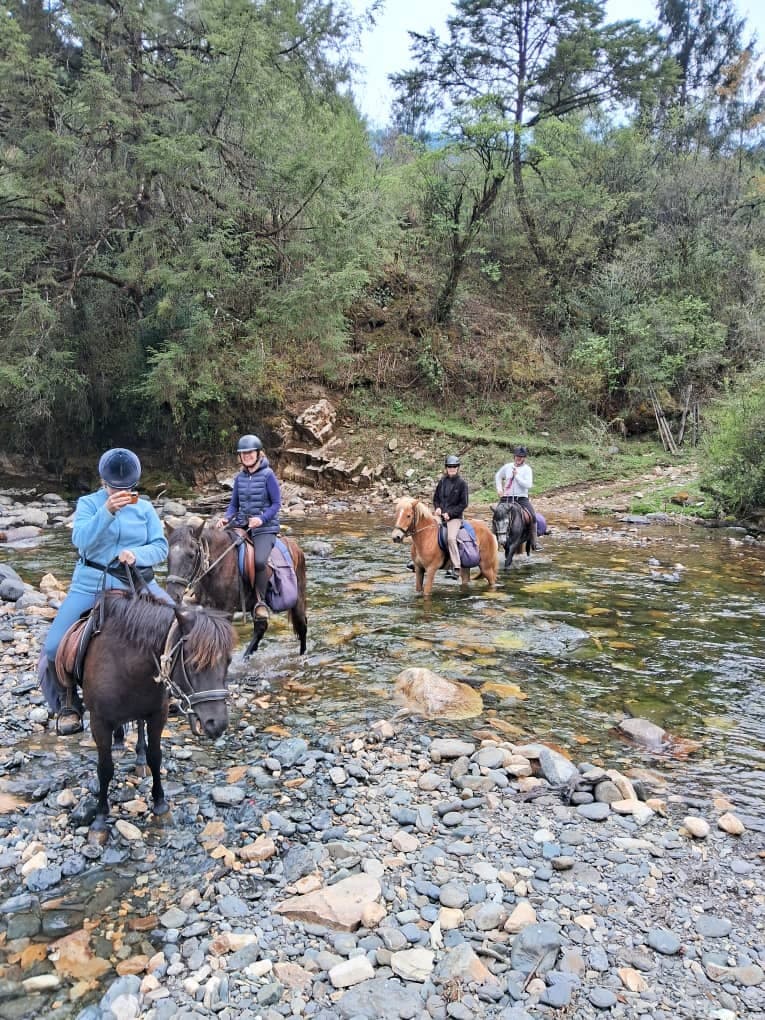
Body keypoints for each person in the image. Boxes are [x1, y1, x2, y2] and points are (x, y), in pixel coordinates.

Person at [41, 448, 173, 734]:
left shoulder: (145, 508)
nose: (121, 493)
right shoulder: (89, 504)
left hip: (136, 582)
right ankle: (68, 702)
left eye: (126, 488)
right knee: (53, 647)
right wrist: (107, 512)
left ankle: (172, 689)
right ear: (103, 483)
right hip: (91, 582)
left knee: (180, 624)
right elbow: (81, 541)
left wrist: (138, 554)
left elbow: (161, 547)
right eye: (115, 488)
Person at [216, 434, 281, 617]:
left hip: (264, 528)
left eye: (250, 453)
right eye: (243, 454)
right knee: (220, 550)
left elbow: (276, 504)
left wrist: (261, 519)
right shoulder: (239, 478)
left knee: (259, 561)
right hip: (242, 524)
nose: (247, 456)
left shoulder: (268, 475)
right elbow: (234, 505)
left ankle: (260, 601)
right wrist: (227, 518)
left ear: (258, 453)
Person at [495, 445, 538, 550]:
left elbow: (528, 485)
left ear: (524, 458)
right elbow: (498, 476)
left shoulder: (527, 469)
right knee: (497, 514)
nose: (518, 458)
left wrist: (517, 476)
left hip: (521, 499)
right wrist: (499, 489)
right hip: (507, 498)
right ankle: (494, 537)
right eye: (517, 456)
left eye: (521, 457)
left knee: (532, 516)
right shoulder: (507, 467)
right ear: (514, 456)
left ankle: (534, 542)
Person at [433, 454, 469, 579]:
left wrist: (450, 514)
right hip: (440, 515)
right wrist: (437, 507)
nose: (452, 469)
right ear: (446, 468)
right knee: (424, 528)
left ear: (458, 468)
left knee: (451, 538)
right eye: (449, 467)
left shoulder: (462, 484)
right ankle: (417, 559)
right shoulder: (442, 481)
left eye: (454, 467)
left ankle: (456, 567)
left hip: (455, 517)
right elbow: (436, 498)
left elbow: (464, 504)